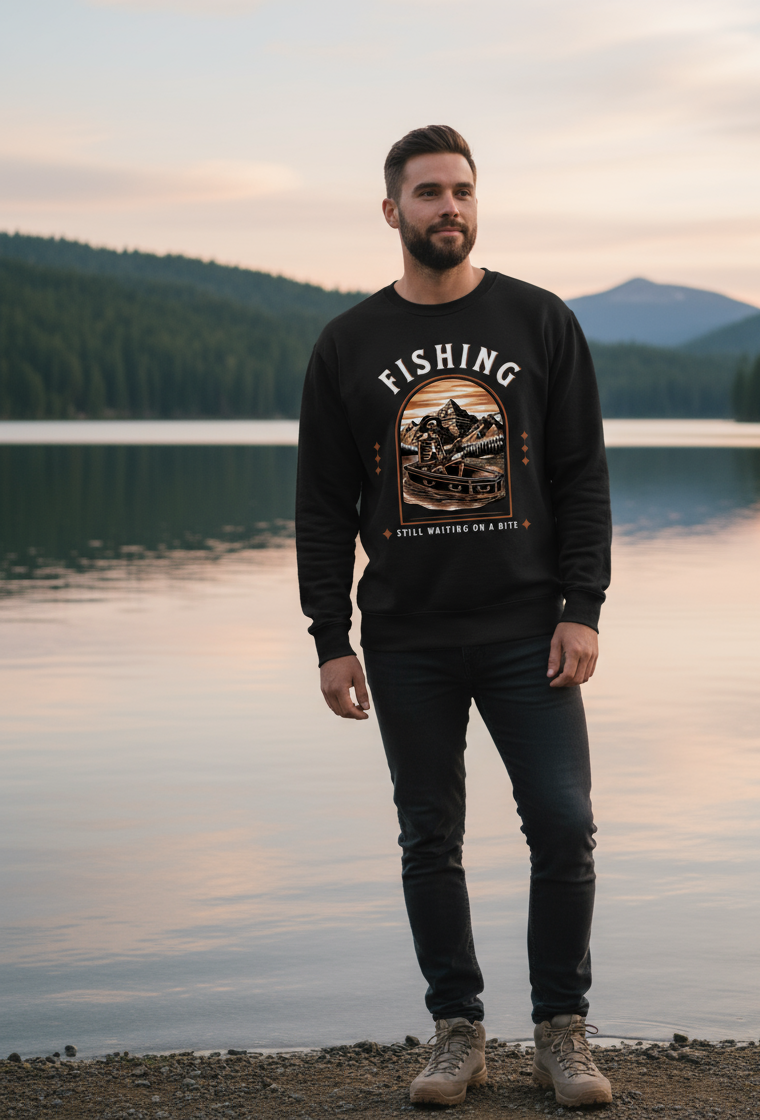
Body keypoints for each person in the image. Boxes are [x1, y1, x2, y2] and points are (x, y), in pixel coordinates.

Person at [295, 125, 612, 1108]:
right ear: (392, 211)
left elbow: (579, 478)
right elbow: (320, 502)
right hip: (406, 637)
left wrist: (581, 606)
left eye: (462, 191)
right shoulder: (348, 342)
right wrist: (328, 637)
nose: (449, 209)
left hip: (529, 630)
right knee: (428, 833)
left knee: (562, 826)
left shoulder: (539, 321)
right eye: (428, 193)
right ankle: (457, 1033)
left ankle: (561, 1032)